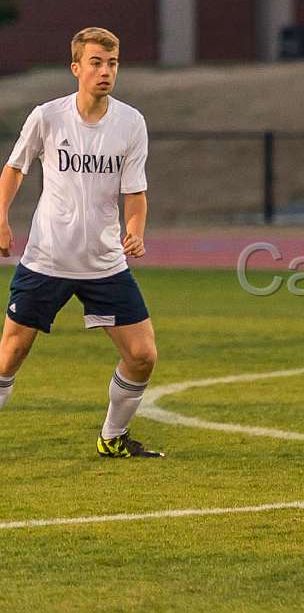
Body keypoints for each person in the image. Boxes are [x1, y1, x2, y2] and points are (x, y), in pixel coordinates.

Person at [0, 27, 162, 458]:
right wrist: (0, 217)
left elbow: (135, 191)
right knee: (8, 358)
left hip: (104, 265)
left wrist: (136, 230)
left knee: (143, 355)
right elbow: (14, 168)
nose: (105, 71)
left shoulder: (131, 123)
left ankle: (113, 438)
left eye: (112, 63)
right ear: (76, 68)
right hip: (46, 260)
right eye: (96, 62)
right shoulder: (48, 116)